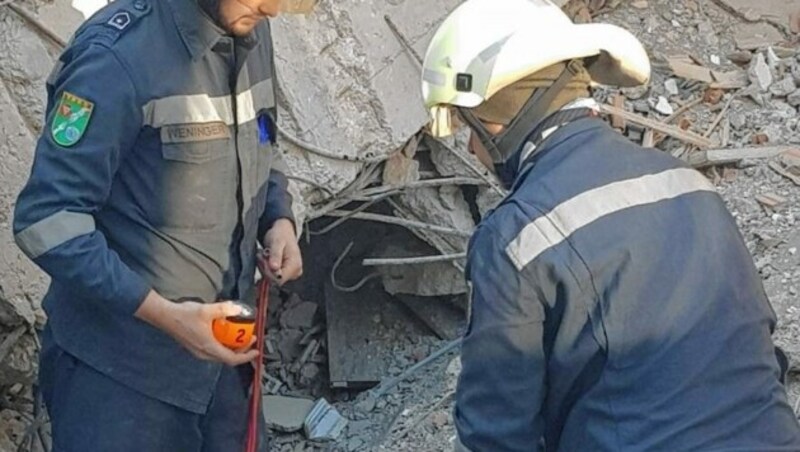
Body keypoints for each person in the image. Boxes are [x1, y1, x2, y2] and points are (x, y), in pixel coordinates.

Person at [420, 0, 800, 450]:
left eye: (469, 126)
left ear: (500, 119)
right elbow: (758, 345)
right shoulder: (690, 186)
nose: (471, 146)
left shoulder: (516, 238)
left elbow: (498, 431)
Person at [13, 0, 309, 449]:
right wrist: (166, 316)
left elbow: (262, 135)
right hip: (121, 382)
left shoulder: (250, 26)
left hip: (224, 368)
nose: (271, 10)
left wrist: (278, 217)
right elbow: (47, 219)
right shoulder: (116, 59)